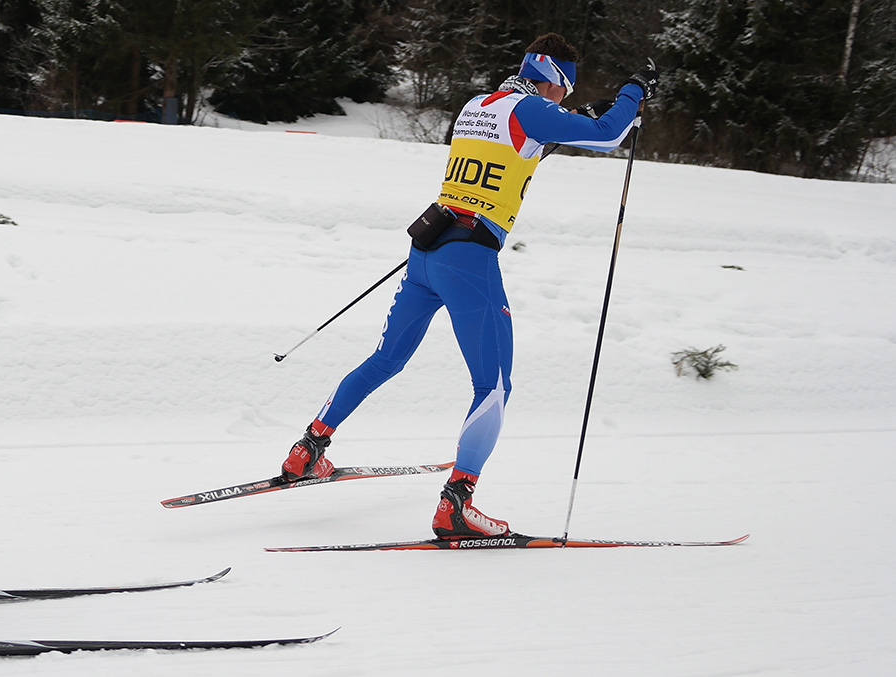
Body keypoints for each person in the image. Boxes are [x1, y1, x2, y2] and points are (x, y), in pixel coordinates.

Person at [278, 33, 657, 540]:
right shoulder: (533, 109)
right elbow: (608, 136)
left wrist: (585, 114)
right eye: (565, 92)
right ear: (556, 82)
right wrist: (633, 92)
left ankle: (308, 448)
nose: (564, 101)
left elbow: (526, 147)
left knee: (386, 359)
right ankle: (457, 504)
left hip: (427, 251)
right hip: (469, 258)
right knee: (493, 387)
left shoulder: (478, 104)